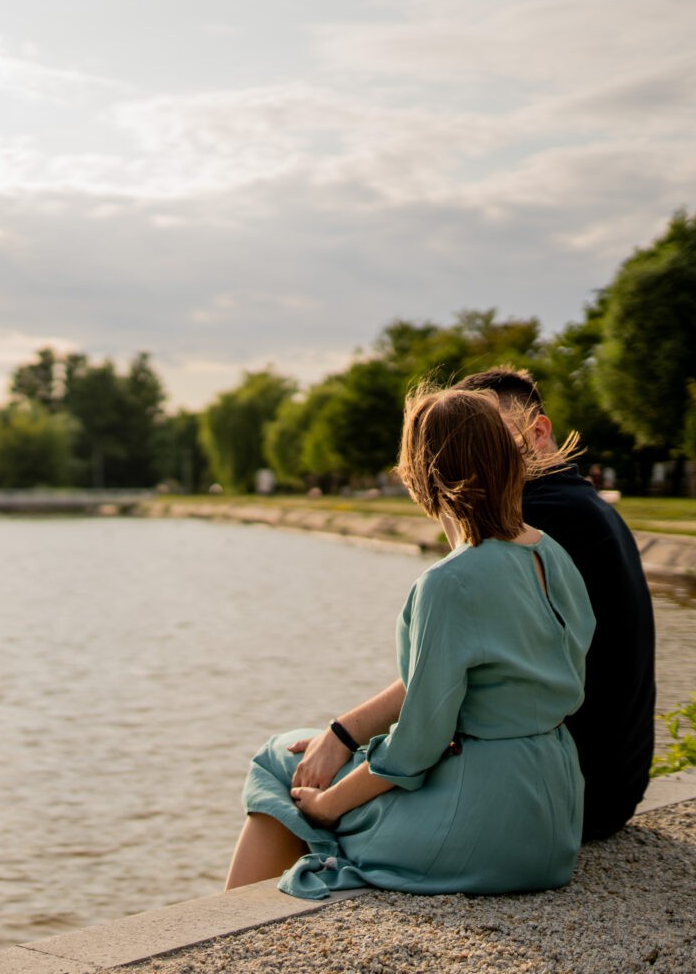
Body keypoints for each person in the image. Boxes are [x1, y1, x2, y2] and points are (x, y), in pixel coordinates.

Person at [225, 386, 595, 898]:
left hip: (485, 826)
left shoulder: (448, 584)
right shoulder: (553, 555)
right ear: (513, 460)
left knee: (276, 760)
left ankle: (233, 926)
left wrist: (329, 804)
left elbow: (420, 744)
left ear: (421, 476)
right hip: (553, 821)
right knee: (327, 769)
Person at [272, 368, 656, 844]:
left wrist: (343, 737)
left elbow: (435, 697)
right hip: (590, 781)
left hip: (559, 795)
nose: (474, 449)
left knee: (283, 771)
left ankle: (249, 915)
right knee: (321, 770)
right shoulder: (580, 513)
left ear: (537, 432)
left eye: (488, 432)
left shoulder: (527, 525)